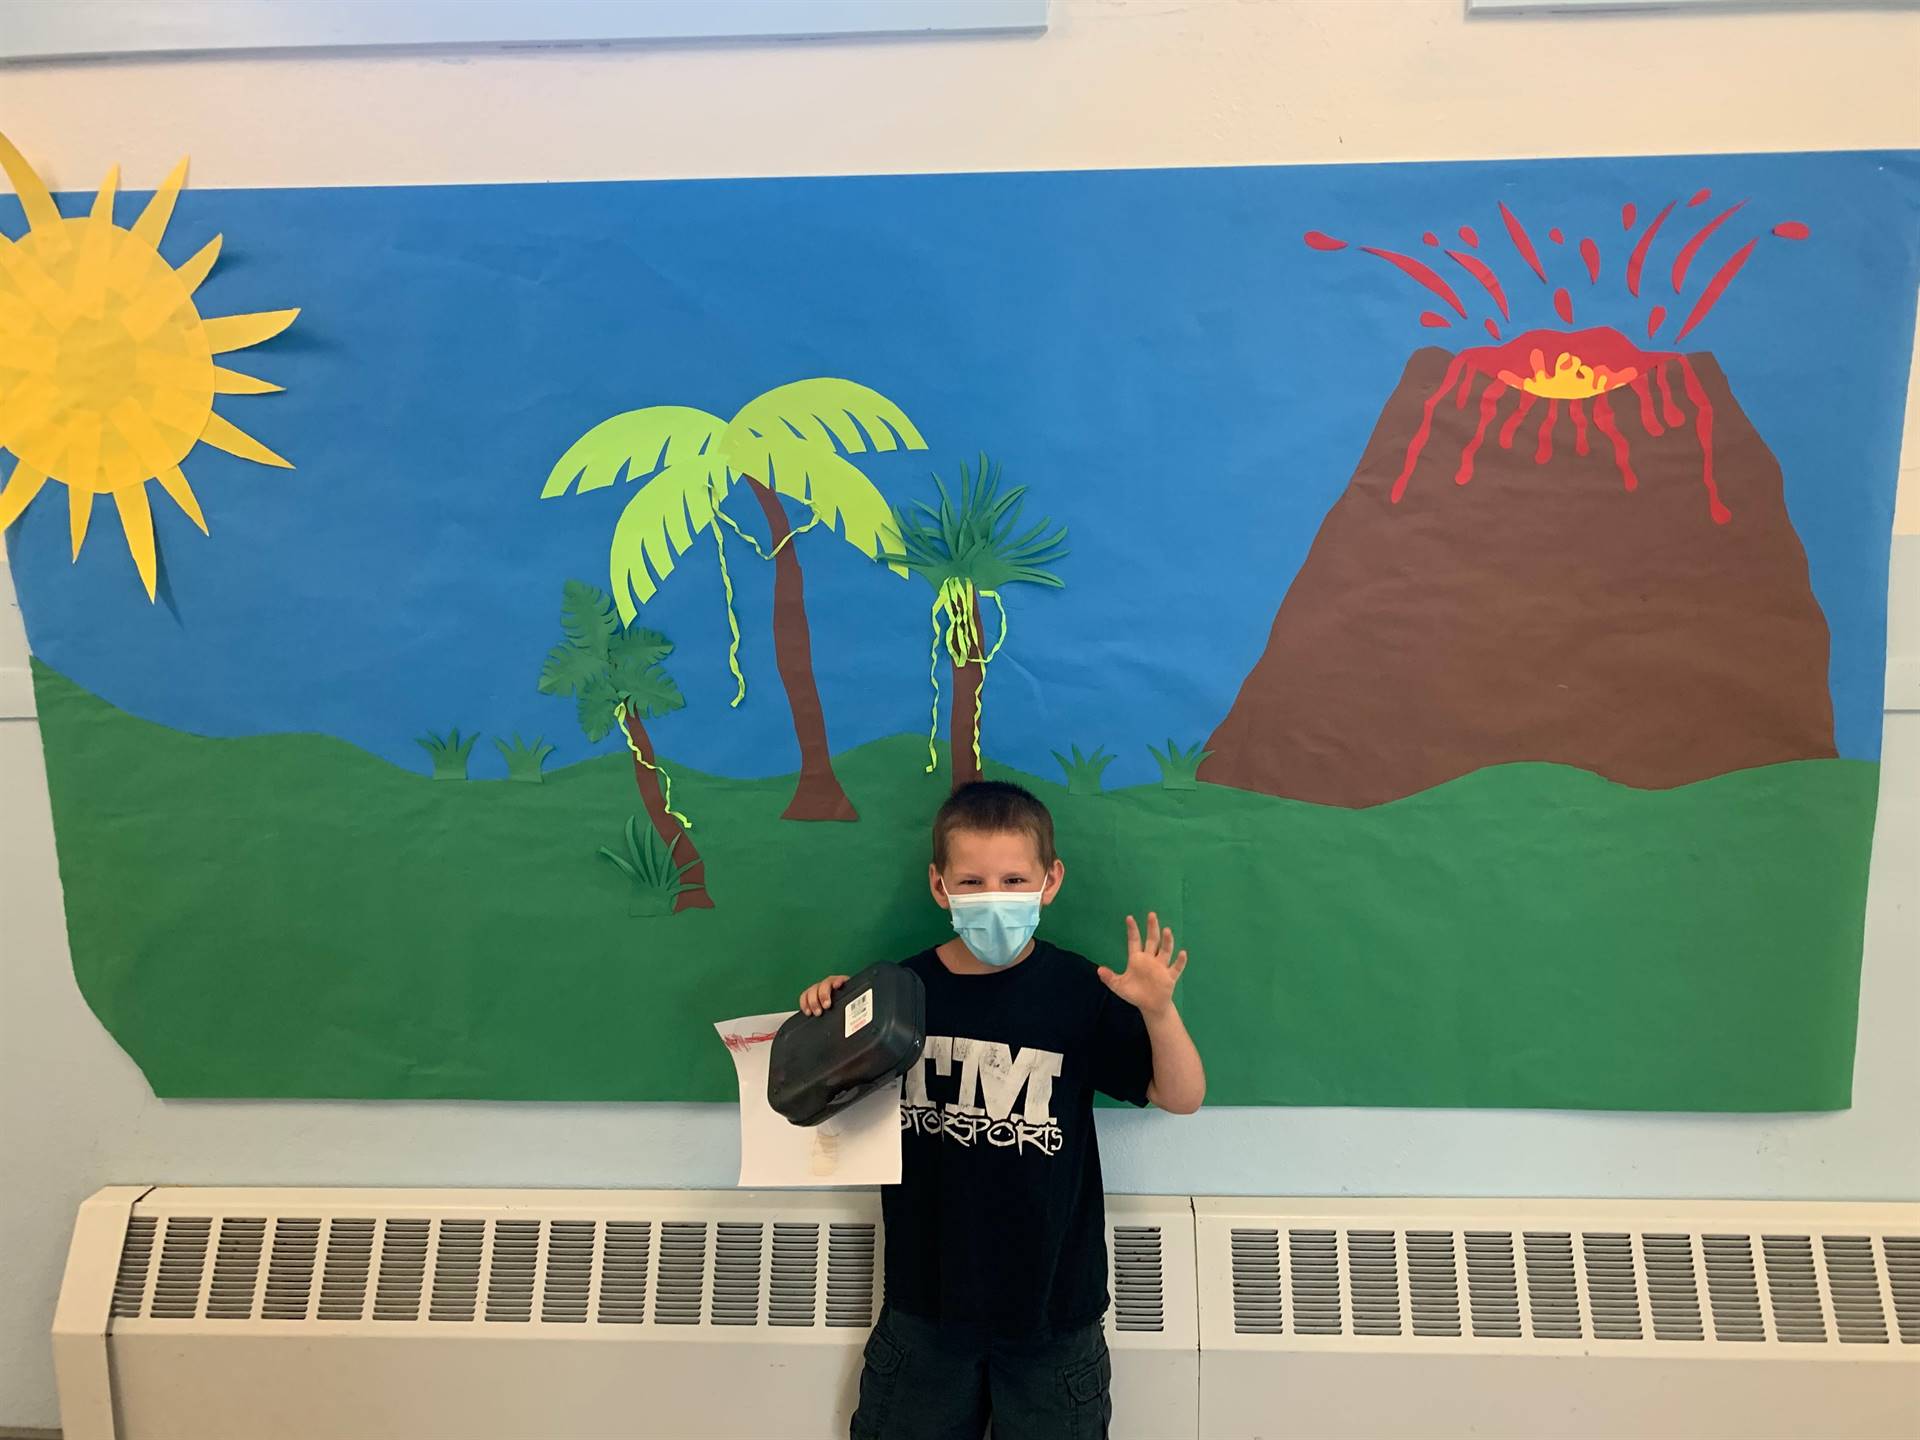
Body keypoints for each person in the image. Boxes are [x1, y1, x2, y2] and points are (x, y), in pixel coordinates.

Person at [798, 779, 1206, 1440]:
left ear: (1051, 881)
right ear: (940, 887)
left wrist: (1157, 1011)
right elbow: (820, 1098)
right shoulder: (900, 994)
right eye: (973, 881)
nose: (996, 898)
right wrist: (827, 1016)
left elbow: (1181, 1096)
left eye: (1016, 879)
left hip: (1052, 1312)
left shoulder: (1080, 989)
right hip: (925, 1306)